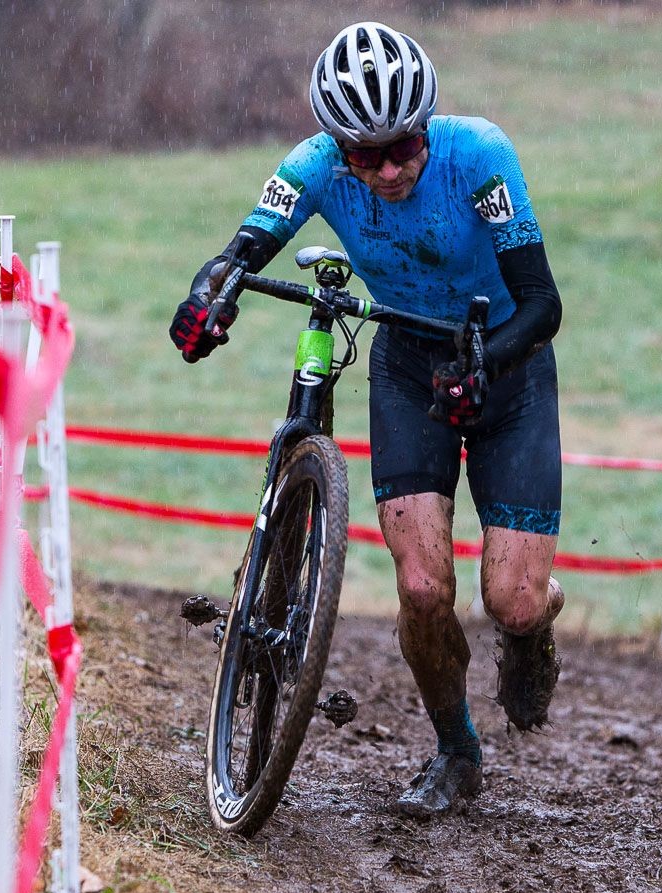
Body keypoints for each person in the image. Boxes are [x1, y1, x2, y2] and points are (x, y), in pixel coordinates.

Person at [170, 21, 565, 817]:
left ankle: (534, 629)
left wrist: (485, 361)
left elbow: (544, 304)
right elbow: (242, 249)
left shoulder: (479, 156)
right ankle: (457, 752)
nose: (387, 168)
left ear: (427, 126)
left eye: (402, 146)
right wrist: (210, 299)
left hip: (508, 368)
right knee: (422, 590)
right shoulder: (312, 167)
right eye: (365, 154)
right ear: (336, 146)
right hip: (409, 365)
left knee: (511, 601)